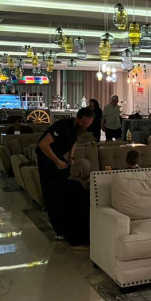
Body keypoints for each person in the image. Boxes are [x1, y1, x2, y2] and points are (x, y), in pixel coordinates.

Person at [35, 107, 94, 239]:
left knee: (64, 189)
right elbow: (43, 145)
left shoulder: (78, 129)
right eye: (84, 123)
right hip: (46, 159)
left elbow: (74, 141)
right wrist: (57, 161)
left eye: (88, 124)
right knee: (51, 192)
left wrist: (71, 157)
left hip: (59, 157)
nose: (86, 126)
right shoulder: (62, 126)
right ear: (77, 119)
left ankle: (66, 223)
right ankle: (58, 231)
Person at [63, 159, 91, 249]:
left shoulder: (68, 182)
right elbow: (85, 207)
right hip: (77, 234)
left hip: (67, 230)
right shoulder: (77, 187)